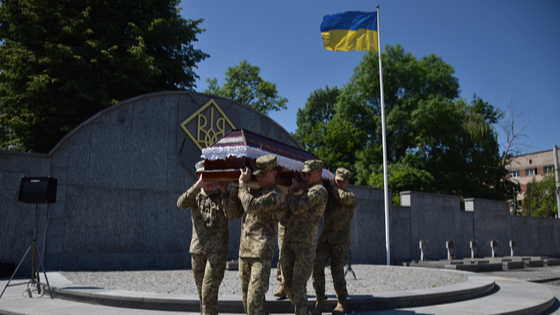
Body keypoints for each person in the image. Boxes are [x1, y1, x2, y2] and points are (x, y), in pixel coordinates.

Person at [226, 154, 287, 315]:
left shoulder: (277, 195)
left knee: (254, 301)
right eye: (257, 174)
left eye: (262, 174)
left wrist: (242, 185)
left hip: (261, 254)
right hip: (244, 252)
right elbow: (231, 213)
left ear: (273, 173)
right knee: (250, 302)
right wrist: (234, 189)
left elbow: (251, 206)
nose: (258, 177)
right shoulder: (251, 192)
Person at [176, 160, 231, 315]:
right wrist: (197, 186)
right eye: (201, 174)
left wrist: (225, 191)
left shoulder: (222, 194)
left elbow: (232, 213)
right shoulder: (195, 195)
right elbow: (180, 202)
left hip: (217, 252)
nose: (204, 176)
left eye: (206, 173)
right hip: (197, 250)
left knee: (208, 293)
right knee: (204, 296)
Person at [282, 159, 328, 315]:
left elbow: (297, 208)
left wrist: (290, 192)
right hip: (289, 240)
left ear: (319, 174)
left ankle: (301, 312)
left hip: (305, 244)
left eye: (309, 174)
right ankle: (302, 310)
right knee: (287, 284)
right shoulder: (306, 191)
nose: (305, 177)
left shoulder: (319, 192)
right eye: (304, 174)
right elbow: (288, 214)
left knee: (298, 285)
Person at [312, 168, 357, 315]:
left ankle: (341, 301)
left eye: (342, 181)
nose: (339, 183)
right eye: (337, 180)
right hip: (326, 239)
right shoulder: (329, 194)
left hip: (341, 242)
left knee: (336, 271)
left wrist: (332, 186)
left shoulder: (350, 197)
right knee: (316, 264)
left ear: (347, 182)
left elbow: (342, 197)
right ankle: (320, 300)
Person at [273, 216, 288, 299]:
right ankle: (282, 284)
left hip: (300, 218)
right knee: (282, 251)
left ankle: (298, 286)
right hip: (284, 218)